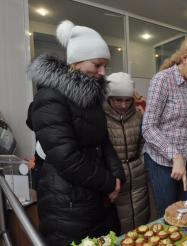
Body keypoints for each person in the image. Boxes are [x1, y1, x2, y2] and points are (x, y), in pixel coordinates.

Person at [27, 20, 125, 245]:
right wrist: (109, 182)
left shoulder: (89, 96)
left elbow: (103, 141)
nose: (103, 72)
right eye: (98, 65)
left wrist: (118, 177)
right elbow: (66, 158)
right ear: (76, 62)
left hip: (94, 194)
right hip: (67, 200)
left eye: (105, 66)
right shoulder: (49, 97)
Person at [142, 37, 187, 217]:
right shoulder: (162, 80)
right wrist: (174, 155)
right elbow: (148, 127)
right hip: (162, 161)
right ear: (184, 58)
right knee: (169, 213)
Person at [103, 72, 149, 233]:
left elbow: (144, 143)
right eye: (118, 100)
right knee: (120, 225)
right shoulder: (101, 117)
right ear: (109, 98)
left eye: (128, 100)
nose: (124, 105)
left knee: (141, 218)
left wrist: (142, 165)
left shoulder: (138, 115)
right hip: (114, 179)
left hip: (138, 176)